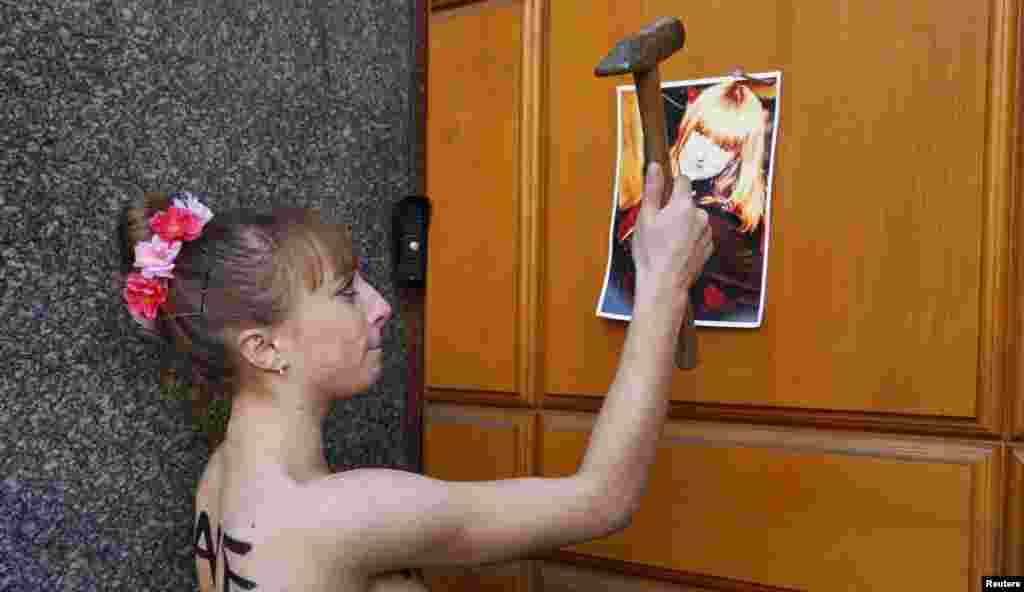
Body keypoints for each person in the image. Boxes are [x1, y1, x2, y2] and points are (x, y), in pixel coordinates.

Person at [116, 163, 710, 591]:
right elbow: (602, 500)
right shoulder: (345, 513)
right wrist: (661, 287)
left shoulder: (219, 479)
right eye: (346, 293)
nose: (380, 305)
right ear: (265, 347)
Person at [616, 79, 769, 323]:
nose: (701, 154)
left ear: (737, 158)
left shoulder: (721, 224)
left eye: (722, 146)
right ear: (686, 128)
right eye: (700, 133)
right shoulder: (672, 188)